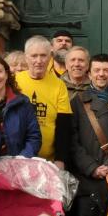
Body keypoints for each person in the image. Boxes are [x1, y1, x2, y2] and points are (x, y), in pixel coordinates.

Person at [70, 53, 108, 197]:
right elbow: (72, 140)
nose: (101, 74)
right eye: (97, 70)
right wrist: (91, 167)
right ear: (89, 74)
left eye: (106, 70)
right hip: (87, 174)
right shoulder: (77, 102)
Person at [16, 35, 72, 169]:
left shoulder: (59, 85)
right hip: (18, 157)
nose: (39, 61)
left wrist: (60, 158)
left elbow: (63, 125)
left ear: (50, 56)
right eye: (34, 56)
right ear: (26, 57)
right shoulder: (14, 81)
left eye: (43, 55)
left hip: (48, 161)